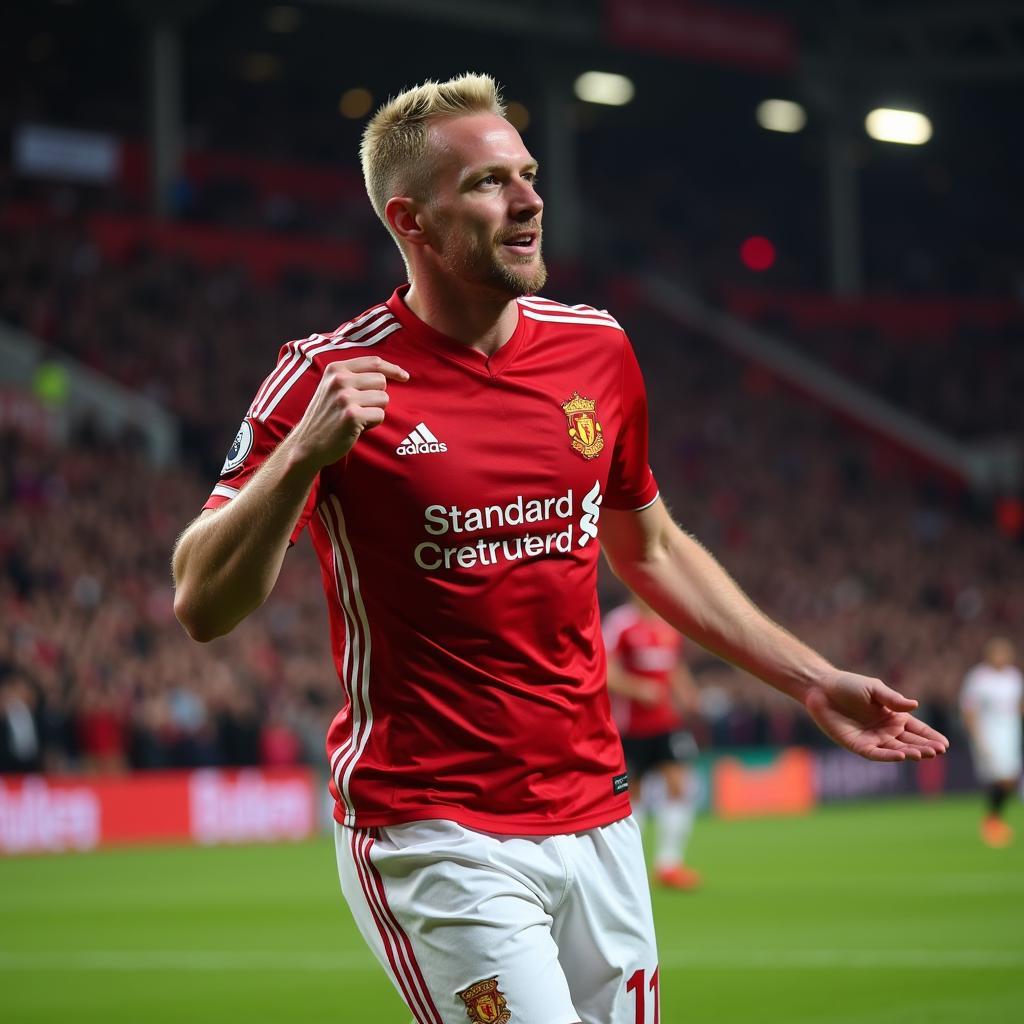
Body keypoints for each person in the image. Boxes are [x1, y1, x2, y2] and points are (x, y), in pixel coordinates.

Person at [172, 73, 949, 1024]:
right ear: (412, 219)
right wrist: (298, 456)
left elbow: (651, 547)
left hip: (598, 816)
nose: (531, 199)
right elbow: (202, 603)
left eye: (529, 174)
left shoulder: (596, 351)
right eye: (491, 182)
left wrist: (809, 677)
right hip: (435, 826)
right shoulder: (327, 375)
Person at [604, 597, 702, 890]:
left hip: (665, 723)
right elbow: (603, 668)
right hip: (630, 726)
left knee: (678, 786)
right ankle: (629, 867)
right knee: (631, 796)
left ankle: (669, 866)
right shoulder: (621, 623)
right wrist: (636, 689)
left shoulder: (667, 623)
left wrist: (687, 693)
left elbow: (673, 665)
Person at [960, 637, 1022, 847]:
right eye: (999, 652)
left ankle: (993, 820)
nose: (1003, 657)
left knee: (1010, 779)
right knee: (1003, 778)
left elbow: (1018, 706)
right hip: (990, 735)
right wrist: (977, 738)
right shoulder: (978, 678)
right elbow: (969, 710)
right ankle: (992, 823)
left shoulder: (1014, 677)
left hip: (1011, 734)